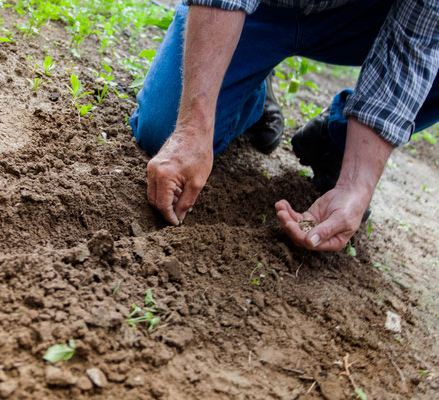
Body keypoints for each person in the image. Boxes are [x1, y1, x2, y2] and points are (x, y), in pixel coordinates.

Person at [129, 0, 439, 251]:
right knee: (164, 130)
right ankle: (251, 90)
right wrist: (192, 129)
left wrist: (356, 185)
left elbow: (417, 42)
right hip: (260, 9)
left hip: (360, 18)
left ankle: (338, 143)